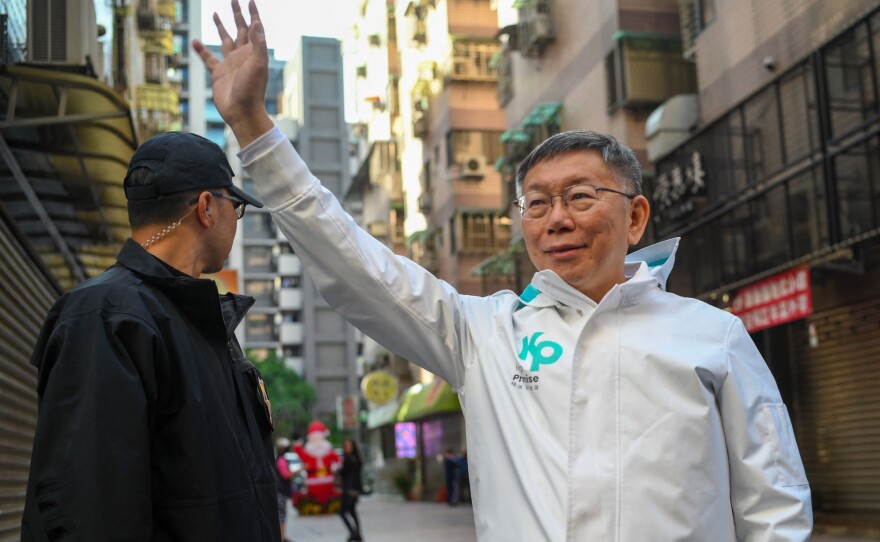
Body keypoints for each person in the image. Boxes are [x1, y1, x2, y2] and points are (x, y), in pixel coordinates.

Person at [194, 3, 813, 540]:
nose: (556, 219)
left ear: (635, 217)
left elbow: (775, 507)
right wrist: (253, 126)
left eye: (580, 196)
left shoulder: (714, 337)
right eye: (537, 203)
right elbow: (354, 262)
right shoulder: (485, 334)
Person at [21, 130, 282, 541]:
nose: (236, 219)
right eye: (237, 207)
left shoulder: (198, 319)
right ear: (207, 207)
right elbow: (88, 512)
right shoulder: (107, 318)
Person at [338, 439, 365, 542]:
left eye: (349, 446)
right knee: (352, 512)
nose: (347, 448)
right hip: (353, 489)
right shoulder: (355, 459)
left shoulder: (349, 459)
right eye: (346, 446)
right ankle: (356, 533)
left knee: (343, 512)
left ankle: (354, 533)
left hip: (350, 490)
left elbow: (344, 472)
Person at [275, 437, 294, 541]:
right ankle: (282, 537)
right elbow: (286, 475)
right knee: (281, 515)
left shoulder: (280, 459)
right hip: (280, 491)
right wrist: (300, 470)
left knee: (282, 514)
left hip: (281, 490)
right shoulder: (281, 460)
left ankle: (283, 536)